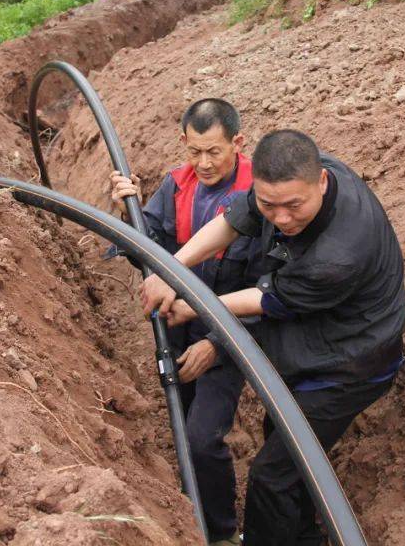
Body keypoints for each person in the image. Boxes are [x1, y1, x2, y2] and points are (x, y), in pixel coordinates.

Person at [140, 129, 405, 546]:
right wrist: (170, 270)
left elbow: (265, 300)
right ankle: (303, 536)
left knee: (271, 477)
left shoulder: (338, 256)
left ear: (320, 182)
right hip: (314, 339)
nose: (281, 218)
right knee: (283, 445)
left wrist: (191, 304)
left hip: (348, 366)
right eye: (269, 204)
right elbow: (230, 223)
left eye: (293, 206)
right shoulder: (292, 180)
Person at [110, 98, 261, 546]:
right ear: (183, 144)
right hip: (177, 321)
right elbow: (150, 244)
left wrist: (217, 343)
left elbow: (271, 290)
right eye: (194, 151)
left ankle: (220, 533)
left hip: (232, 330)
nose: (204, 162)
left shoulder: (260, 195)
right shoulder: (178, 185)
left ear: (238, 142)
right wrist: (127, 210)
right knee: (180, 409)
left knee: (200, 437)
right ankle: (186, 504)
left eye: (214, 151)